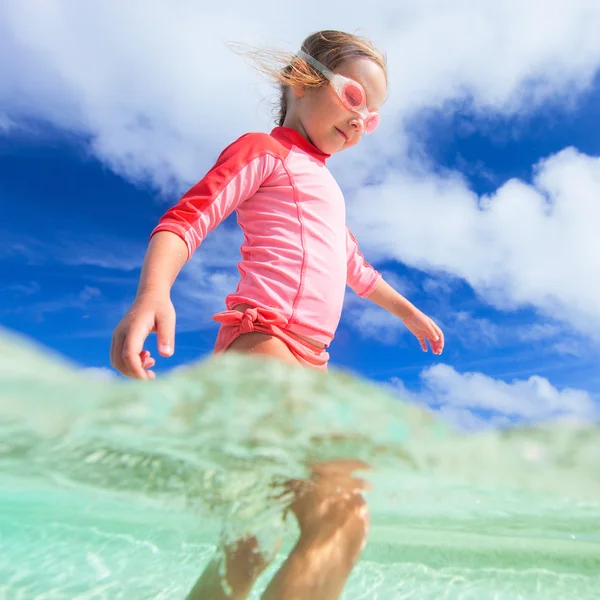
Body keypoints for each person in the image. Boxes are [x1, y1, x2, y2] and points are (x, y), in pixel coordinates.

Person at [111, 29, 444, 600]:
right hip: (265, 343)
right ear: (301, 79)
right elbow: (189, 217)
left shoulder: (326, 187)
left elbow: (355, 268)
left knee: (252, 541)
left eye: (374, 117)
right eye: (354, 98)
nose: (361, 121)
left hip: (305, 361)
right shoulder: (265, 152)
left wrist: (409, 313)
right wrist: (153, 292)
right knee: (343, 517)